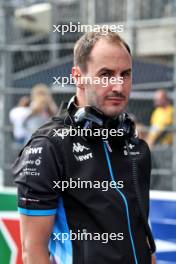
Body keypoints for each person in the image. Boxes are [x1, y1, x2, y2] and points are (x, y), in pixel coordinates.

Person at [13, 30, 156, 264]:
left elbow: (144, 238)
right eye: (106, 74)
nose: (118, 86)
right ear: (78, 77)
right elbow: (33, 251)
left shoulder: (135, 144)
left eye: (125, 74)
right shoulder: (48, 147)